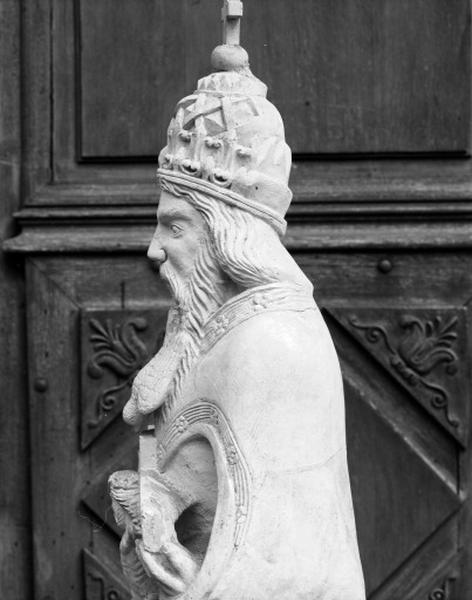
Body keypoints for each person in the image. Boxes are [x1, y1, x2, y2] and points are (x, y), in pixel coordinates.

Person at [111, 39, 365, 600]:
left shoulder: (270, 344)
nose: (154, 249)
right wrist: (155, 511)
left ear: (229, 237)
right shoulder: (205, 325)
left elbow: (279, 565)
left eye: (175, 227)